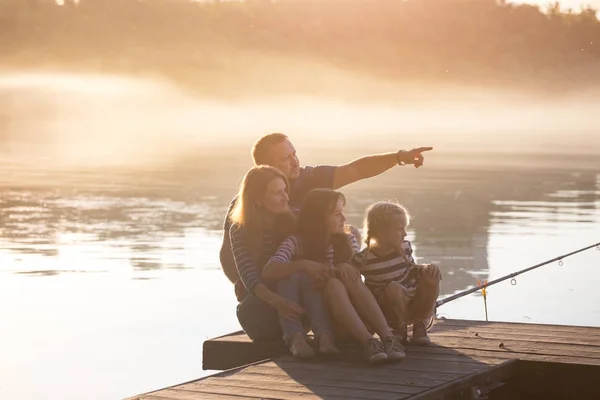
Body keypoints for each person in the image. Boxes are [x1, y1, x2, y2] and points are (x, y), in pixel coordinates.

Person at [220, 132, 434, 300]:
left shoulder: (310, 178)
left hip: (317, 272)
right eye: (286, 158)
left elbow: (356, 170)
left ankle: (352, 293)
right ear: (264, 167)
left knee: (351, 232)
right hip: (273, 278)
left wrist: (399, 158)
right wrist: (246, 288)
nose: (295, 162)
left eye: (294, 154)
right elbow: (229, 256)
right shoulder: (246, 203)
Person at [263, 188, 406, 364]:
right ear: (318, 218)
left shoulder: (348, 239)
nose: (343, 219)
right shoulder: (297, 242)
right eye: (337, 214)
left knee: (347, 275)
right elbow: (269, 270)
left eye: (342, 212)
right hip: (326, 323)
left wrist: (343, 267)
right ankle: (368, 342)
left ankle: (387, 337)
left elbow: (359, 275)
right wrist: (305, 264)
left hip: (357, 317)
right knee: (333, 285)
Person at [229, 165, 338, 358]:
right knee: (249, 310)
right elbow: (250, 278)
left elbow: (333, 233)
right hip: (266, 301)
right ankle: (295, 338)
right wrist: (278, 302)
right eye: (277, 193)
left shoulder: (297, 218)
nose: (286, 197)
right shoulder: (240, 230)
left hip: (302, 297)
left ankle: (319, 335)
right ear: (257, 199)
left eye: (285, 190)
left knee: (294, 276)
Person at [351, 201, 442, 345]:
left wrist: (425, 269)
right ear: (381, 231)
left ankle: (420, 324)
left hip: (410, 301)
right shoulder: (363, 259)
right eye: (400, 229)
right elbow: (352, 283)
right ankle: (398, 329)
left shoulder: (405, 247)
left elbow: (412, 270)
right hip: (387, 308)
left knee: (432, 277)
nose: (405, 234)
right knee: (394, 289)